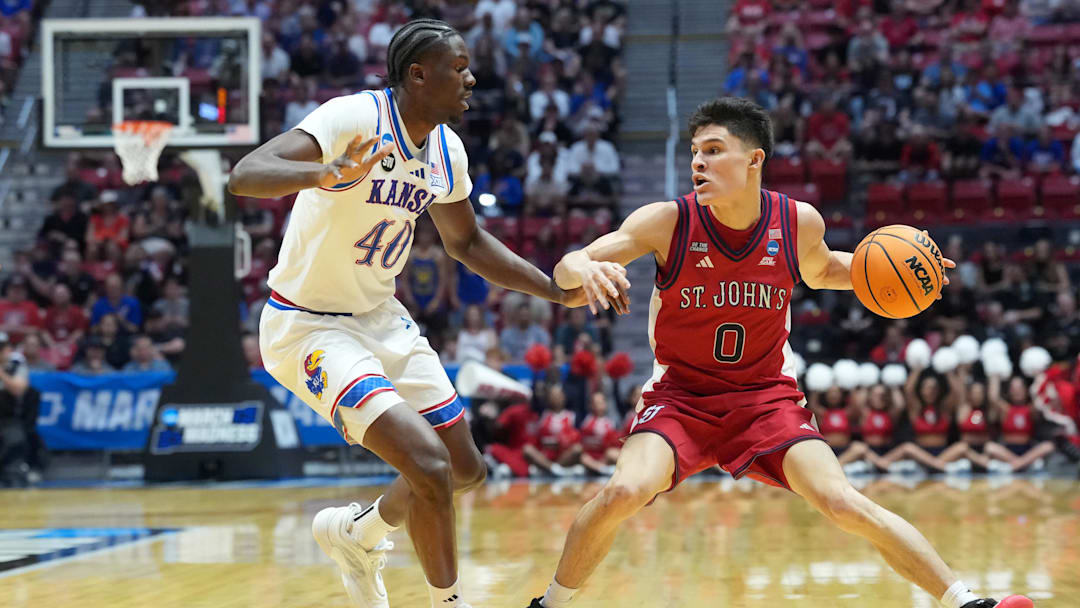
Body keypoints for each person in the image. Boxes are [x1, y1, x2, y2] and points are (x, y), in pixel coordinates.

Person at [525, 98, 1030, 608]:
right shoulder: (667, 222)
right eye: (695, 152)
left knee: (840, 499)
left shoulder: (797, 223)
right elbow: (572, 262)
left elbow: (825, 269)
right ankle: (549, 605)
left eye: (714, 150)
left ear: (754, 159)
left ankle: (966, 602)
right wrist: (580, 269)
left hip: (765, 397)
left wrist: (903, 267)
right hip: (680, 397)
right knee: (622, 493)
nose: (698, 162)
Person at [227, 19, 629, 608]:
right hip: (308, 323)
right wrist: (323, 173)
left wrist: (554, 290)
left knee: (465, 469)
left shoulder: (446, 148)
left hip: (380, 317)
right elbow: (245, 175)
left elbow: (467, 244)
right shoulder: (353, 118)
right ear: (418, 74)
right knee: (428, 466)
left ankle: (358, 534)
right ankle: (448, 603)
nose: (471, 78)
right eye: (459, 67)